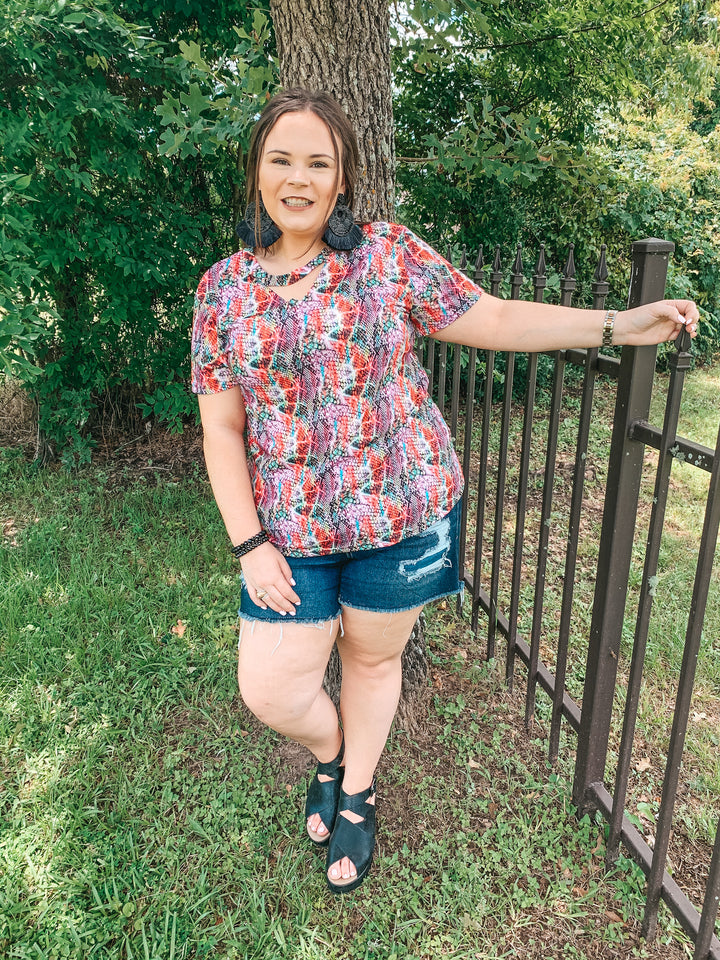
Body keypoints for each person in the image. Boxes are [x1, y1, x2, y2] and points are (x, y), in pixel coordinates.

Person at [191, 88, 699, 894]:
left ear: (342, 178)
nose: (299, 178)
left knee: (372, 659)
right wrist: (248, 543)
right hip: (288, 533)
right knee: (272, 688)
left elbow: (493, 319)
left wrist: (620, 324)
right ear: (257, 172)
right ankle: (331, 754)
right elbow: (221, 429)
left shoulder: (387, 256)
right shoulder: (221, 290)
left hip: (404, 511)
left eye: (318, 163)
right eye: (281, 160)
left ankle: (356, 792)